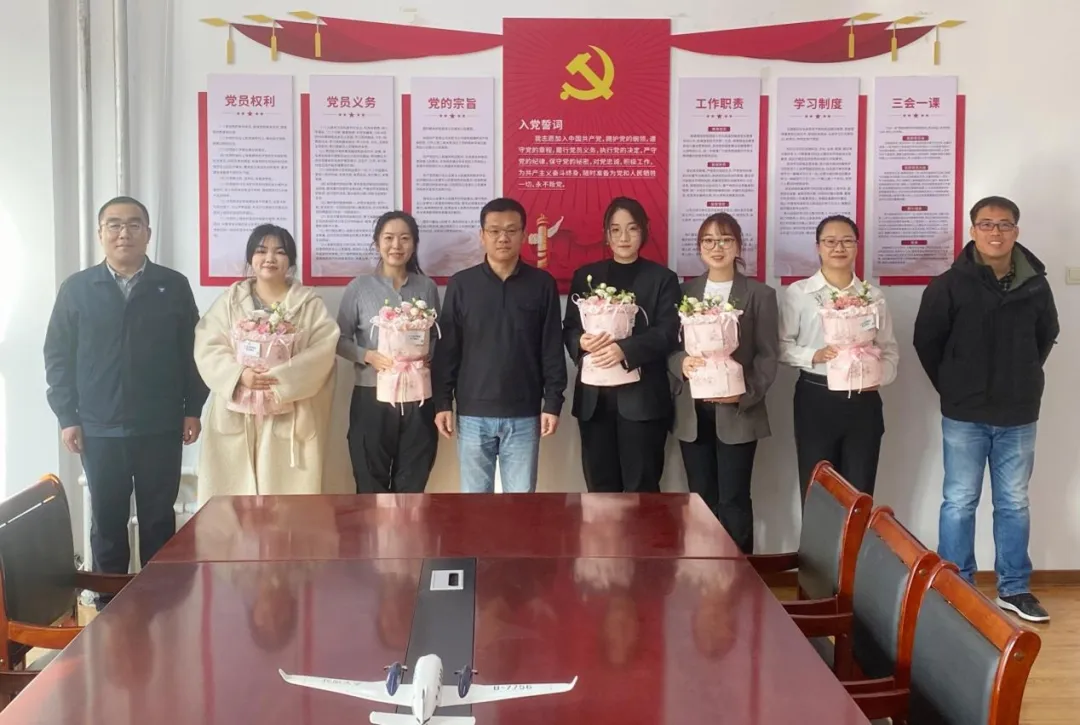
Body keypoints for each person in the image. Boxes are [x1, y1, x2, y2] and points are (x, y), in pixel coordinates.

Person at [43, 196, 208, 595]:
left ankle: (160, 603)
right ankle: (109, 606)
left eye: (134, 225)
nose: (124, 233)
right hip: (99, 428)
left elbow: (195, 352)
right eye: (114, 225)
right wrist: (68, 416)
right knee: (107, 522)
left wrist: (193, 409)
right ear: (100, 233)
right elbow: (58, 357)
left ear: (148, 234)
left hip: (160, 426)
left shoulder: (172, 285)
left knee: (158, 520)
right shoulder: (78, 289)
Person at [913, 196, 1058, 623]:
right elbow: (927, 341)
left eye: (1005, 225)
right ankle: (956, 586)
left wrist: (1021, 378)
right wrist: (955, 387)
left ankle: (1013, 588)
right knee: (959, 501)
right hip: (965, 413)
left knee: (1014, 502)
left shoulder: (1036, 284)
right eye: (987, 224)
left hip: (1018, 413)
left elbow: (1046, 335)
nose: (996, 232)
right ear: (973, 230)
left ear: (1016, 231)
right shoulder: (948, 284)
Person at [193, 224, 346, 506]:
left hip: (289, 413)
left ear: (291, 260)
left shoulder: (308, 304)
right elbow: (207, 346)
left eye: (280, 252)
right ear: (251, 257)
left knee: (286, 506)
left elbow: (323, 351)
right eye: (261, 251)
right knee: (232, 504)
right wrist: (239, 375)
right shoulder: (230, 301)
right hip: (237, 411)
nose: (270, 258)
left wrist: (280, 379)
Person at [431, 197, 567, 493]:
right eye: (494, 231)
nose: (503, 238)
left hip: (524, 413)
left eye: (511, 230)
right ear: (482, 235)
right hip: (472, 413)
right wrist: (442, 402)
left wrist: (553, 402)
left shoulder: (542, 284)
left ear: (524, 234)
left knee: (521, 504)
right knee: (475, 505)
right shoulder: (461, 285)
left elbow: (551, 348)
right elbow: (448, 350)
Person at [669, 213, 779, 554]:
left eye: (725, 240)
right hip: (693, 411)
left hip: (738, 412)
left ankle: (740, 573)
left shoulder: (759, 294)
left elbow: (768, 355)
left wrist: (745, 395)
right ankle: (703, 569)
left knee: (734, 499)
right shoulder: (684, 292)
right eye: (709, 241)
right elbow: (669, 346)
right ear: (699, 247)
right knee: (700, 499)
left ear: (738, 246)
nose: (717, 248)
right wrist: (680, 363)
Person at [562, 196, 680, 493]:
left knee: (642, 490)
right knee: (600, 489)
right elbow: (570, 328)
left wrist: (624, 350)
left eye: (632, 228)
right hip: (594, 402)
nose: (623, 237)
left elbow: (668, 333)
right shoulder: (585, 277)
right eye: (615, 230)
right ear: (606, 234)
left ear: (644, 230)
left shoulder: (662, 279)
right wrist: (580, 340)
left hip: (642, 402)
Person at [778, 214, 899, 498]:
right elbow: (782, 346)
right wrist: (815, 355)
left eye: (847, 241)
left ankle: (856, 533)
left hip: (863, 400)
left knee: (860, 489)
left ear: (856, 247)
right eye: (830, 241)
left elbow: (889, 349)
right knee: (817, 489)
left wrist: (878, 377)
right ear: (818, 247)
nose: (839, 248)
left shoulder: (873, 296)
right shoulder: (799, 293)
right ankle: (816, 532)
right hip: (816, 398)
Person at [336, 211, 441, 494]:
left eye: (405, 238)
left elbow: (436, 336)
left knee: (413, 482)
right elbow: (338, 340)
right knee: (371, 481)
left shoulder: (426, 287)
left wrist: (427, 355)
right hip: (372, 395)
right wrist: (367, 356)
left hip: (418, 396)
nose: (396, 245)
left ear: (414, 244)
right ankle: (374, 527)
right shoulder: (359, 287)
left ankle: (407, 526)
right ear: (377, 243)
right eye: (389, 238)